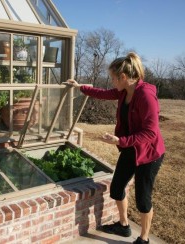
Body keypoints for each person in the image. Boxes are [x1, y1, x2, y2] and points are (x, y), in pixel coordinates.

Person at [67, 52, 165, 244]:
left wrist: (120, 141)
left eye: (113, 78)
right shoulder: (123, 91)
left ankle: (144, 238)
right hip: (130, 149)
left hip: (149, 154)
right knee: (117, 188)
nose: (111, 82)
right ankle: (124, 225)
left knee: (143, 200)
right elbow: (103, 93)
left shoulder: (146, 96)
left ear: (124, 77)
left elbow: (151, 133)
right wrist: (80, 87)